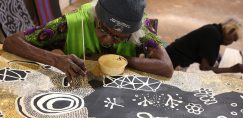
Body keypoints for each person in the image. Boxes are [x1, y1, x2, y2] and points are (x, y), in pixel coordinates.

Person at [3, 0, 174, 82]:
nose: (109, 41)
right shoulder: (71, 23)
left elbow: (166, 67)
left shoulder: (141, 29)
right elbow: (12, 42)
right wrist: (55, 59)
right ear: (96, 17)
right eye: (103, 29)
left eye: (119, 38)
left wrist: (122, 61)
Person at [165, 18, 243, 74]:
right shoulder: (213, 35)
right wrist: (231, 69)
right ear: (230, 32)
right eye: (233, 39)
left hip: (169, 54)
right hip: (171, 63)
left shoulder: (214, 29)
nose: (231, 42)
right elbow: (204, 69)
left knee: (218, 58)